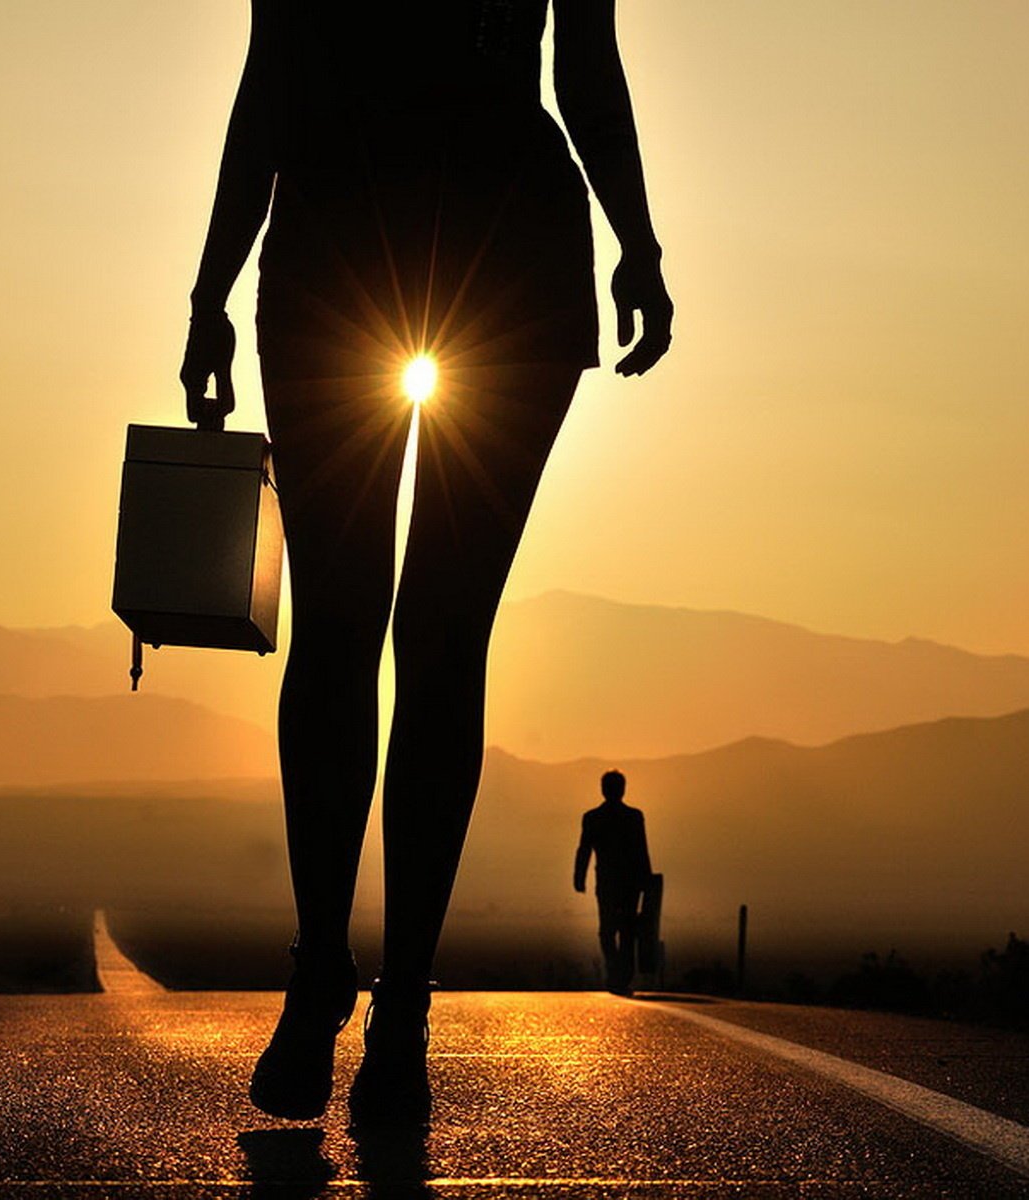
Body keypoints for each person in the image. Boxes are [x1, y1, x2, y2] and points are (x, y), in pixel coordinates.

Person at [181, 0, 672, 1127]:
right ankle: (378, 1000)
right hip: (467, 241)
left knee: (364, 631)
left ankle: (353, 992)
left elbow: (275, 78)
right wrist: (636, 242)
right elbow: (583, 69)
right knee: (421, 636)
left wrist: (211, 293)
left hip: (358, 240)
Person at [573, 769, 652, 994]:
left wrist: (579, 877)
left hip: (609, 882)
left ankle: (617, 974)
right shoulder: (633, 816)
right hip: (628, 882)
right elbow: (641, 850)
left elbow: (584, 850)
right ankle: (621, 975)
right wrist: (646, 880)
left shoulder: (593, 817)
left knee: (609, 930)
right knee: (625, 930)